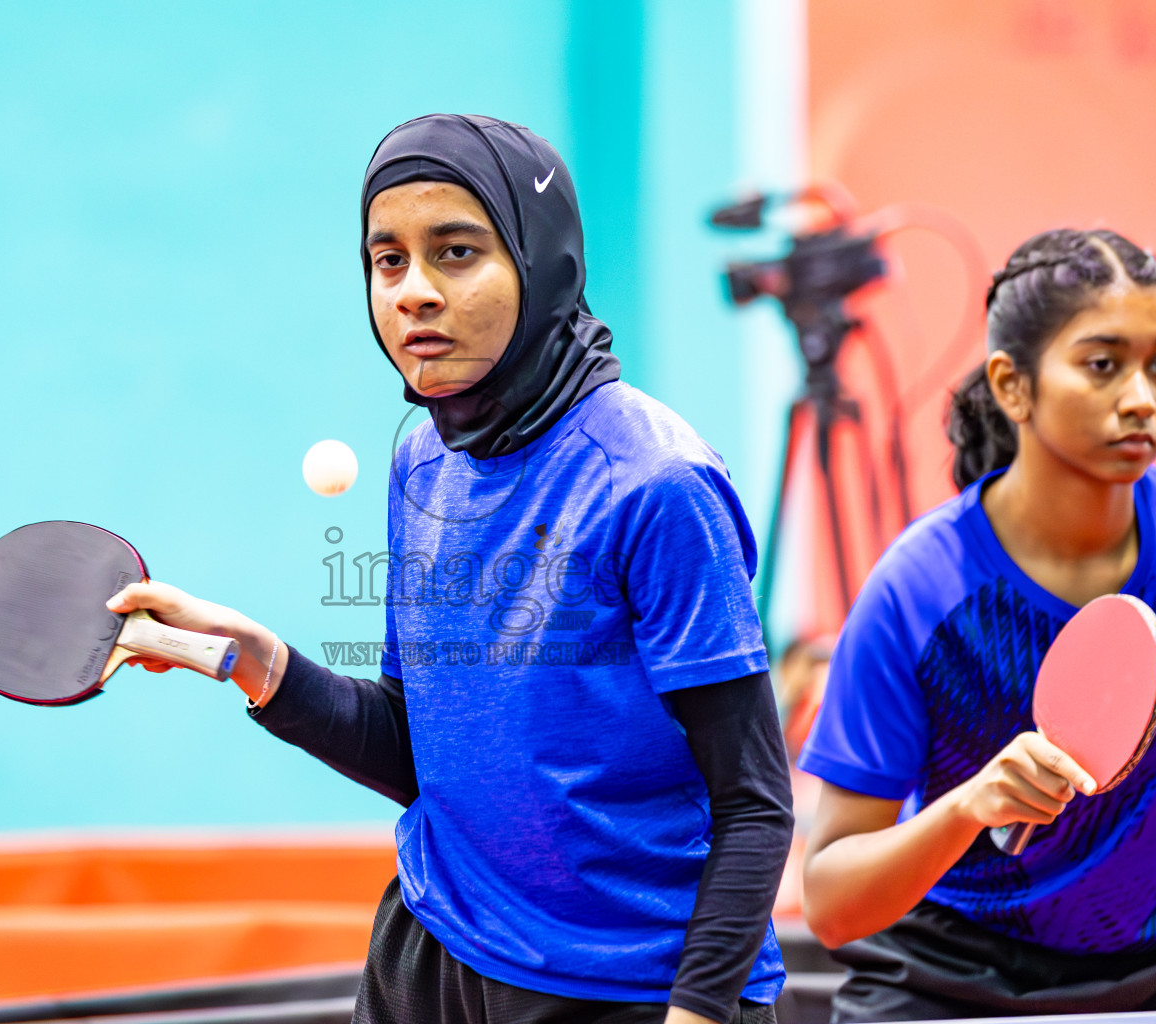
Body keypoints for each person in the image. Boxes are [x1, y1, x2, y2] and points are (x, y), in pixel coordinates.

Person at [107, 114, 793, 1024]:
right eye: (388, 261)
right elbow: (426, 752)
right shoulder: (423, 463)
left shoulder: (656, 484)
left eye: (457, 253)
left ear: (542, 263)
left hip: (624, 992)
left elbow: (754, 806)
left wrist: (700, 1011)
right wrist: (259, 662)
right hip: (430, 958)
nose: (413, 293)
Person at [797, 228, 1156, 1019]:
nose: (1142, 397)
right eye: (1103, 365)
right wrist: (968, 806)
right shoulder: (921, 587)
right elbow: (831, 902)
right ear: (1013, 385)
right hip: (959, 969)